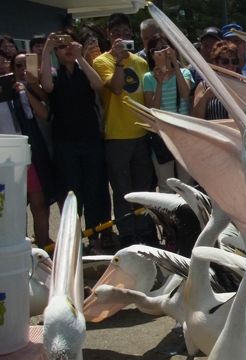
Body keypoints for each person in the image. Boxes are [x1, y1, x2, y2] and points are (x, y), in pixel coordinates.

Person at [40, 32, 113, 248]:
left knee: (93, 189)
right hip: (65, 143)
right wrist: (46, 49)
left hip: (90, 140)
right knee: (72, 192)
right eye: (62, 48)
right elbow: (46, 86)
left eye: (70, 45)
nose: (67, 50)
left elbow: (98, 85)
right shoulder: (54, 73)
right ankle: (74, 239)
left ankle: (95, 236)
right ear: (56, 53)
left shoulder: (84, 70)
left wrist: (81, 57)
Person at [92, 12, 157, 248]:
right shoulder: (102, 61)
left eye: (126, 34)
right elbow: (117, 89)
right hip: (116, 137)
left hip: (141, 135)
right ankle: (127, 234)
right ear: (110, 36)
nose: (123, 38)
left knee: (143, 189)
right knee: (122, 191)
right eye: (117, 34)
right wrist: (119, 60)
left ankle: (146, 231)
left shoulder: (140, 62)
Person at [5, 51, 59, 248]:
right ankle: (18, 245)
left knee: (39, 204)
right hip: (7, 158)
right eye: (17, 66)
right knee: (13, 208)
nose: (21, 70)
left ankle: (44, 244)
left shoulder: (34, 89)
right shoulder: (4, 93)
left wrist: (26, 90)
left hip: (32, 155)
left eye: (24, 65)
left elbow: (45, 114)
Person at [143, 34, 194, 192]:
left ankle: (189, 216)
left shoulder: (185, 72)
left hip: (183, 132)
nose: (161, 52)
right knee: (166, 184)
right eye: (156, 50)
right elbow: (153, 109)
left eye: (164, 48)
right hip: (162, 135)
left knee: (186, 183)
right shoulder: (148, 78)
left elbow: (185, 93)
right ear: (150, 54)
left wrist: (175, 65)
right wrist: (159, 82)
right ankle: (170, 217)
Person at [192, 41, 238, 120]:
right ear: (215, 63)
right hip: (214, 131)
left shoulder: (243, 85)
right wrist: (205, 97)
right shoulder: (204, 86)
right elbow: (196, 118)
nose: (231, 65)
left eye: (234, 61)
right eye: (225, 61)